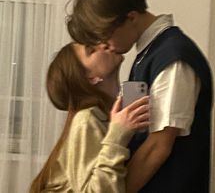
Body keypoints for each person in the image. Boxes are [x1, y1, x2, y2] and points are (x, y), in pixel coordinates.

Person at [66, 0, 213, 193]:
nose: (104, 44)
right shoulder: (150, 54)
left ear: (131, 18)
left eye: (105, 35)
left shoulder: (174, 58)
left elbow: (158, 147)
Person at [29, 42, 150, 192]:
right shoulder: (86, 120)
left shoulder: (103, 117)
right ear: (90, 78)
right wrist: (118, 135)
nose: (104, 45)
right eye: (91, 50)